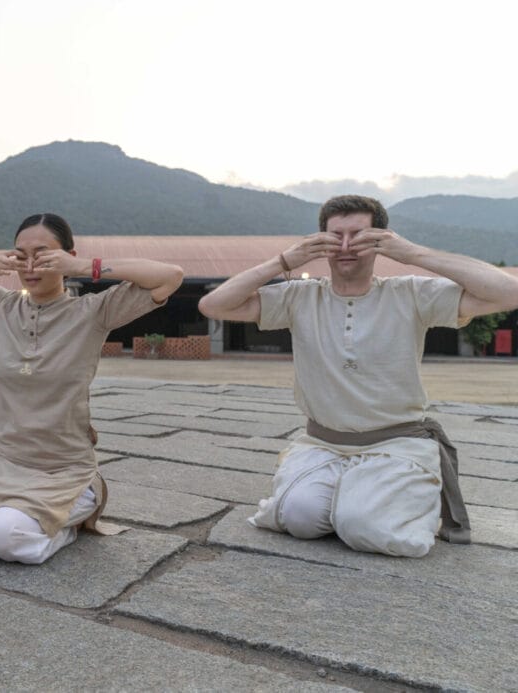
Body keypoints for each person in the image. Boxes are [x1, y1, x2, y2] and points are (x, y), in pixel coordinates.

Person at [199, 194, 518, 557]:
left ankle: (387, 498)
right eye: (337, 236)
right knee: (300, 519)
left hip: (395, 443)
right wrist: (285, 260)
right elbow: (212, 305)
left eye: (360, 235)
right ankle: (357, 497)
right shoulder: (299, 297)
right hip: (322, 444)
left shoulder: (411, 293)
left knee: (364, 527)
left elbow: (511, 291)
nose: (347, 246)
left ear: (381, 239)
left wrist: (410, 252)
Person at [0, 213, 184, 564]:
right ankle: (18, 518)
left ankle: (66, 522)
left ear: (66, 254)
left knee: (6, 537)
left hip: (63, 467)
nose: (30, 264)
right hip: (0, 461)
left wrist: (84, 267)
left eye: (43, 254)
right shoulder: (0, 305)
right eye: (21, 254)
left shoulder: (93, 311)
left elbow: (170, 277)